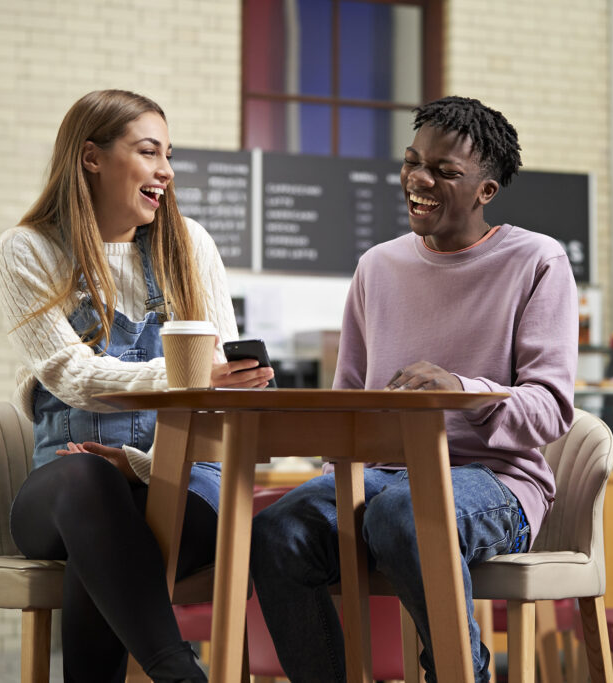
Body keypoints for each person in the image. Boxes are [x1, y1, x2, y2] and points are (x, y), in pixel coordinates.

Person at [250, 96, 578, 682]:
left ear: (486, 191)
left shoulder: (537, 261)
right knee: (277, 531)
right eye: (412, 162)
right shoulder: (377, 266)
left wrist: (462, 390)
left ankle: (460, 672)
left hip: (495, 480)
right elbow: (350, 392)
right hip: (378, 474)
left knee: (405, 514)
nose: (419, 181)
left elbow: (551, 409)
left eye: (445, 172)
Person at [0, 89, 273, 683]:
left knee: (100, 553)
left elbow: (218, 398)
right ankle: (179, 671)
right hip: (69, 487)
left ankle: (177, 673)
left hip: (181, 484)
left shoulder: (189, 245)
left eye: (168, 155)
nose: (166, 172)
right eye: (149, 153)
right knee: (88, 483)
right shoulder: (30, 250)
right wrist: (188, 377)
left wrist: (142, 463)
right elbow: (71, 377)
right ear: (92, 157)